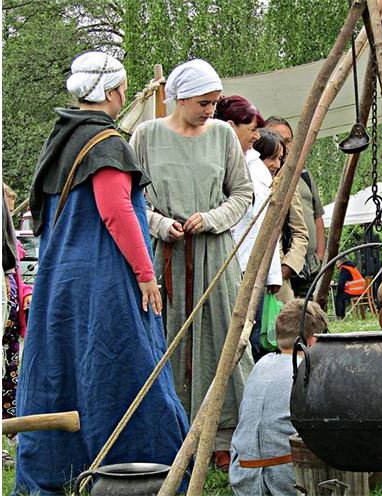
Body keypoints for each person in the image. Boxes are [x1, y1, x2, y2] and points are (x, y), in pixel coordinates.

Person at [13, 52, 189, 495]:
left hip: (59, 280)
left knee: (63, 371)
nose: (125, 93)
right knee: (124, 366)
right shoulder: (106, 143)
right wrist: (145, 273)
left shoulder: (60, 139)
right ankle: (142, 467)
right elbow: (115, 212)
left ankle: (61, 473)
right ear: (112, 92)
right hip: (104, 278)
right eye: (123, 87)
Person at [129, 59, 255, 471]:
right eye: (203, 102)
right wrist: (161, 223)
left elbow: (242, 193)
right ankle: (170, 433)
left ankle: (225, 434)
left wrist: (212, 218)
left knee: (221, 340)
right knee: (166, 342)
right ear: (179, 98)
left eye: (215, 103)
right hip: (165, 257)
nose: (210, 110)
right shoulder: (145, 136)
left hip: (213, 255)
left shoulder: (221, 135)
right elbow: (133, 201)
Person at [229, 298, 328, 496]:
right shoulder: (307, 370)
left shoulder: (261, 365)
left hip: (243, 480)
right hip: (289, 483)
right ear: (313, 340)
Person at [215, 101, 284, 362]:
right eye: (252, 129)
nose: (256, 136)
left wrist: (272, 273)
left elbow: (264, 227)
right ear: (231, 127)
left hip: (250, 266)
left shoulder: (253, 166)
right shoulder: (224, 160)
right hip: (231, 263)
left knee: (250, 340)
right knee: (237, 340)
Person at [266, 116, 323, 299]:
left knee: (313, 317)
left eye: (289, 140)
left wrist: (320, 255)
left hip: (309, 264)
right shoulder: (264, 177)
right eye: (278, 139)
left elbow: (317, 216)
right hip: (280, 266)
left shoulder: (304, 175)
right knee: (286, 319)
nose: (285, 145)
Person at [2, 184, 33, 428]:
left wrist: (25, 295)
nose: (9, 219)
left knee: (8, 376)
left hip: (11, 329)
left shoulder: (12, 246)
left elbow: (18, 280)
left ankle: (9, 429)